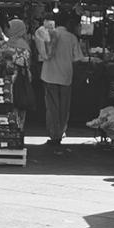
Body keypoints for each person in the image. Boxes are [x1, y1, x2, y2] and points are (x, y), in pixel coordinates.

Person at [41, 11, 84, 153]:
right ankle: (60, 132)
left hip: (49, 75)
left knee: (52, 107)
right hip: (65, 76)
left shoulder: (48, 34)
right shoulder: (71, 37)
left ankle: (54, 135)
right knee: (64, 107)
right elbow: (78, 58)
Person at [3, 18, 32, 128]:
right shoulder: (24, 45)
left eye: (9, 27)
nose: (7, 30)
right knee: (19, 107)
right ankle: (18, 130)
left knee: (13, 105)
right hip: (19, 81)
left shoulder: (11, 44)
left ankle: (14, 130)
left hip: (12, 81)